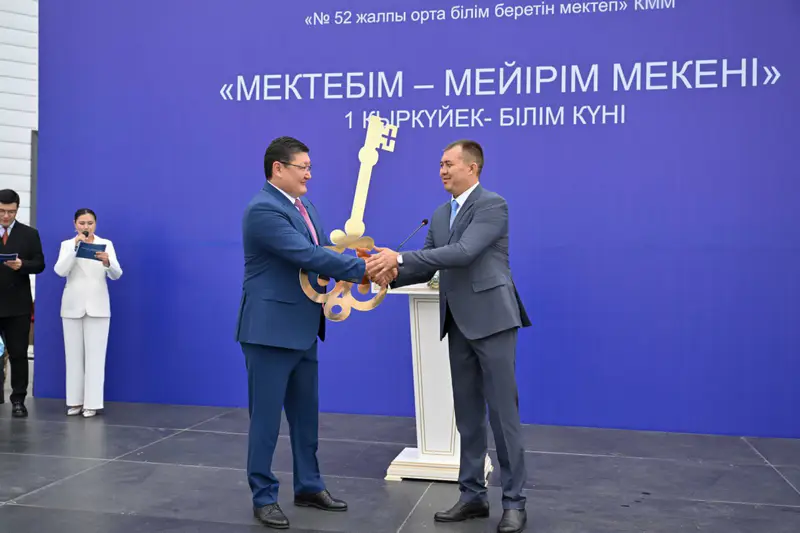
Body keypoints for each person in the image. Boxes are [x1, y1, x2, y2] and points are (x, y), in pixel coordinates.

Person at [366, 140, 531, 533]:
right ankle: (472, 496)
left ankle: (514, 502)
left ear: (472, 168)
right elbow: (425, 268)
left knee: (503, 417)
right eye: (440, 164)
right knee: (468, 417)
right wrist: (378, 271)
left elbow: (464, 252)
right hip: (456, 322)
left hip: (493, 320)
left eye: (449, 164)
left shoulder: (492, 205)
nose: (442, 170)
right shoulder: (441, 214)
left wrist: (398, 257)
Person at [236, 136, 384, 529]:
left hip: (304, 328)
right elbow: (306, 255)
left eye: (309, 167)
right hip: (269, 332)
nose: (309, 174)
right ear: (278, 169)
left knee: (306, 418)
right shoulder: (263, 210)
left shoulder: (305, 207)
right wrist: (365, 270)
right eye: (302, 167)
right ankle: (264, 496)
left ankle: (309, 485)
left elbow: (324, 257)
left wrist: (358, 258)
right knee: (266, 421)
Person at [53, 208, 123, 418]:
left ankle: (92, 403)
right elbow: (60, 271)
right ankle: (75, 401)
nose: (86, 227)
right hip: (72, 306)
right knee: (73, 356)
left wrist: (107, 262)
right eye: (82, 223)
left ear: (95, 224)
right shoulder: (67, 245)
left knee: (96, 357)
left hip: (98, 306)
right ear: (75, 224)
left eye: (90, 223)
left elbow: (117, 274)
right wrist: (75, 249)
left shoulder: (106, 244)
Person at [0, 189, 45, 417]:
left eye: (11, 211)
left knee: (18, 354)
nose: (6, 216)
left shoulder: (29, 234)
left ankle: (18, 399)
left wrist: (22, 265)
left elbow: (40, 264)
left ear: (17, 209)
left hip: (17, 305)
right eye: (1, 211)